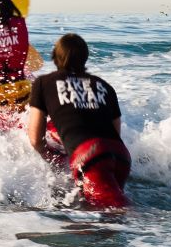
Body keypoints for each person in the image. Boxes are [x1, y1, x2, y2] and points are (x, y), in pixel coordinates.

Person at [27, 33, 131, 209]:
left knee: (112, 213)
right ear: (85, 58)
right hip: (120, 155)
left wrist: (50, 159)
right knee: (107, 208)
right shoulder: (104, 85)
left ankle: (159, 231)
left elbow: (35, 138)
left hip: (90, 156)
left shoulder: (43, 83)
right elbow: (115, 132)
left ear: (55, 57)